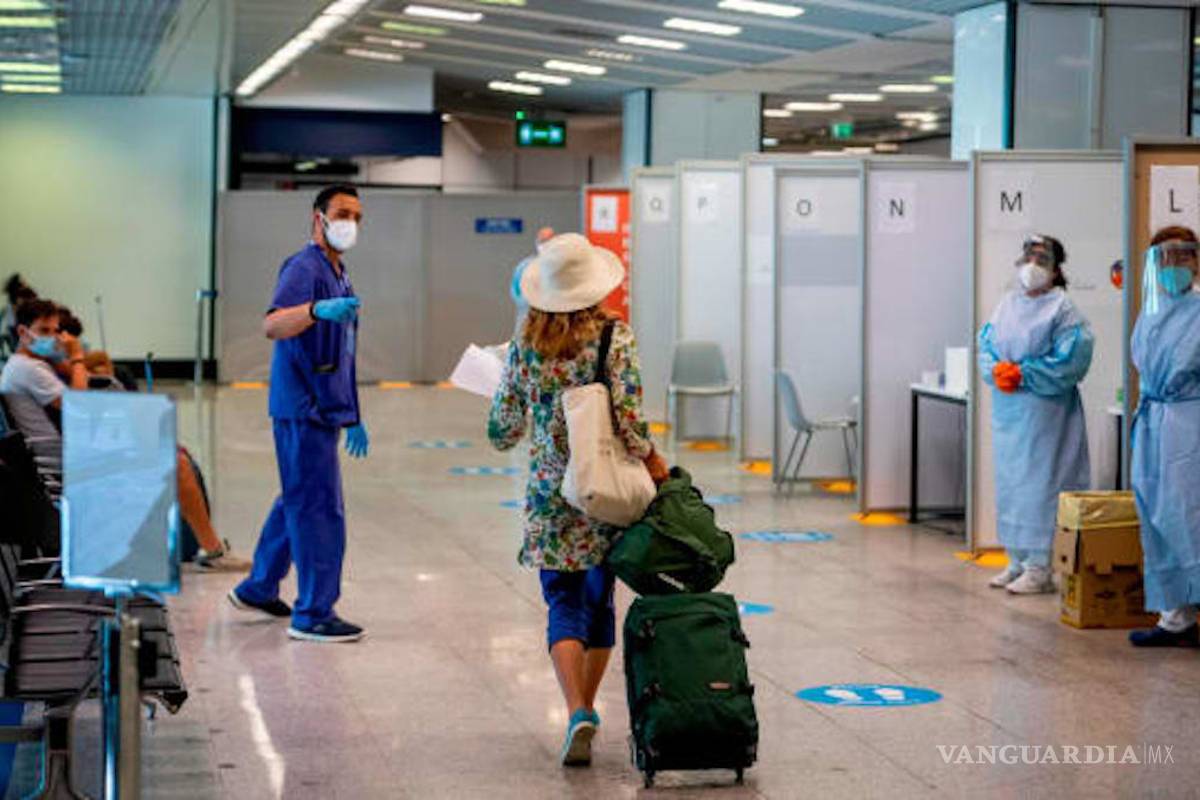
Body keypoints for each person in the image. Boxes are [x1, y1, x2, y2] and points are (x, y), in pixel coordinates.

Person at [489, 233, 669, 767]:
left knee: (562, 604)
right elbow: (631, 419)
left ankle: (575, 711)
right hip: (604, 490)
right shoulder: (616, 337)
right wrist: (653, 460)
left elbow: (502, 429)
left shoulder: (526, 345)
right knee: (600, 602)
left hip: (551, 493)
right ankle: (586, 706)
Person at [0, 299, 248, 571]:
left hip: (67, 451)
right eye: (45, 331)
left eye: (56, 331)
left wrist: (64, 357)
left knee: (174, 455)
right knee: (176, 464)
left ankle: (198, 547)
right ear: (23, 333)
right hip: (63, 461)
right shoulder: (28, 369)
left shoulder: (30, 363)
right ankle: (211, 551)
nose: (54, 338)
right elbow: (81, 404)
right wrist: (78, 356)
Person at [228, 184, 369, 644]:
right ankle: (313, 612)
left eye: (357, 216)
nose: (351, 222)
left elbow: (341, 351)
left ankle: (259, 585)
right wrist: (313, 309)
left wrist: (352, 413)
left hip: (323, 407)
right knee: (317, 508)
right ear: (318, 219)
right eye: (343, 213)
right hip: (302, 406)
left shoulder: (339, 272)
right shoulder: (304, 267)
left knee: (296, 495)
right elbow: (273, 324)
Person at [978, 234, 1094, 594]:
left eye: (1042, 259)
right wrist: (995, 369)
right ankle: (1015, 559)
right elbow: (986, 344)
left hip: (1047, 413)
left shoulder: (1063, 309)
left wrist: (1026, 374)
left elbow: (1072, 359)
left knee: (1042, 485)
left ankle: (1041, 566)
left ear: (1056, 269)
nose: (1032, 265)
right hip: (1009, 412)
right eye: (1029, 256)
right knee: (1013, 484)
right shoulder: (1007, 304)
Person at [1129, 226, 1200, 647]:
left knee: (1188, 512)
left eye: (1183, 257)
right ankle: (1176, 616)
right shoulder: (1150, 314)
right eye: (1165, 259)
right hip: (1155, 421)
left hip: (1189, 423)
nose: (1174, 267)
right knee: (1157, 516)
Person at [509, 226, 556, 333]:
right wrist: (532, 304)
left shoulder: (562, 267)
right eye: (542, 241)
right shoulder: (524, 266)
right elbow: (515, 292)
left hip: (555, 322)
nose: (545, 245)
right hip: (529, 319)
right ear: (536, 242)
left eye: (549, 241)